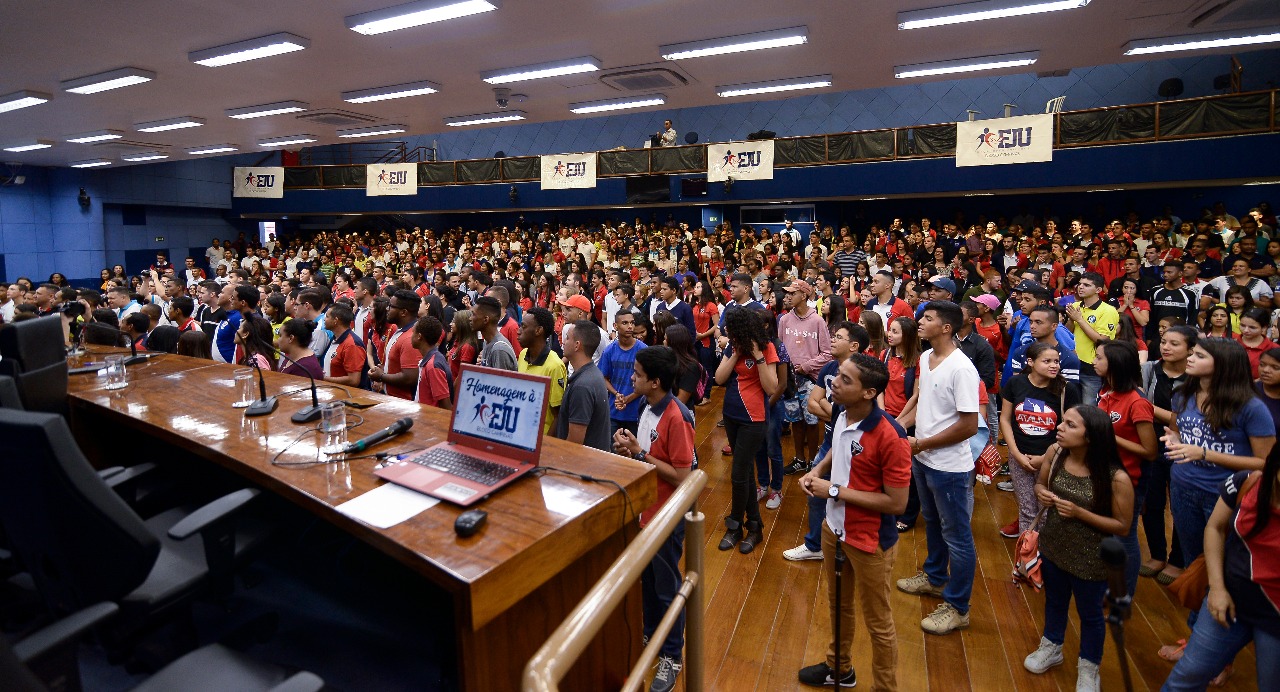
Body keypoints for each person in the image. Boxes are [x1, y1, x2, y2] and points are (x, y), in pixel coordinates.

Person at [1159, 337, 1276, 667]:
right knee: (1197, 565)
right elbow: (1176, 429)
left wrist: (1205, 453)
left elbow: (1266, 463)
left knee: (1220, 574)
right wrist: (1175, 441)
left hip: (1224, 498)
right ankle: (1198, 640)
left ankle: (1213, 654)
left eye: (1198, 355)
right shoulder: (1184, 393)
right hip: (1183, 489)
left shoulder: (1250, 407)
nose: (1190, 359)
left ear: (1222, 364)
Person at [797, 354, 911, 690]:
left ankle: (885, 687)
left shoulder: (892, 437)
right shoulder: (842, 412)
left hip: (870, 540)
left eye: (846, 380)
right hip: (834, 529)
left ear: (868, 393)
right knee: (838, 606)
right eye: (838, 375)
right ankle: (839, 668)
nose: (834, 382)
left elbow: (897, 503)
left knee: (879, 622)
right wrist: (818, 469)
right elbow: (839, 445)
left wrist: (832, 489)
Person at [1024, 406, 1133, 692]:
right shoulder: (1056, 452)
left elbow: (1122, 525)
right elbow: (1039, 483)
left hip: (1091, 557)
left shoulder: (1116, 478)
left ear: (1091, 436)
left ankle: (1089, 667)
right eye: (1063, 422)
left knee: (1091, 615)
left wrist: (1079, 512)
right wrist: (1041, 494)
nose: (1060, 427)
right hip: (1054, 545)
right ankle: (1052, 645)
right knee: (1055, 602)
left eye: (1070, 425)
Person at [611, 346, 695, 692]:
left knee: (666, 587)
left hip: (665, 515)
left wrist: (640, 453)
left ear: (655, 382)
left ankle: (672, 654)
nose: (632, 379)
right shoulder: (647, 405)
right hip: (645, 509)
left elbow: (682, 474)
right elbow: (647, 453)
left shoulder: (677, 416)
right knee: (647, 582)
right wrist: (631, 446)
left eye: (638, 374)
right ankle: (650, 634)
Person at [1162, 445, 1280, 691]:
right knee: (1186, 677)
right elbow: (1214, 527)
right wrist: (1216, 588)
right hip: (1229, 600)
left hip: (1274, 617)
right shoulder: (1246, 483)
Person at [897, 301, 979, 635]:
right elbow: (925, 405)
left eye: (928, 318)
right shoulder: (927, 359)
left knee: (957, 536)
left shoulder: (961, 368)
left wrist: (923, 443)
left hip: (948, 466)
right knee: (932, 521)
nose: (920, 321)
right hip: (923, 457)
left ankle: (959, 606)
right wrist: (900, 426)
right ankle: (934, 577)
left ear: (946, 328)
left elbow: (969, 425)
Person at [783, 321, 870, 562]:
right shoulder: (830, 366)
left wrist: (832, 410)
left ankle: (847, 545)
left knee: (848, 497)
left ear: (853, 345)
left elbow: (861, 417)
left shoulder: (865, 372)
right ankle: (815, 544)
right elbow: (813, 403)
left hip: (854, 448)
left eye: (838, 337)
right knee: (815, 492)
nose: (831, 340)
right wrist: (837, 412)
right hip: (830, 442)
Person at [999, 342, 1082, 538]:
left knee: (1047, 511)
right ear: (1031, 362)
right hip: (1020, 457)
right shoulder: (1015, 383)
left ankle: (1045, 561)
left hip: (1053, 459)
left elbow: (1073, 431)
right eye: (1047, 361)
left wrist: (1045, 458)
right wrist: (1016, 454)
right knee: (1027, 510)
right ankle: (1027, 561)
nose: (1054, 365)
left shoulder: (1066, 390)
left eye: (1056, 361)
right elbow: (1005, 419)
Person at [1094, 339, 1157, 596]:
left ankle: (1123, 594)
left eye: (1099, 358)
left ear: (1115, 364)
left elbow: (1150, 451)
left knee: (1125, 536)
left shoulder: (1136, 401)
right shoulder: (1105, 393)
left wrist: (1107, 434)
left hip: (1128, 479)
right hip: (1103, 475)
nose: (1094, 361)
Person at [716, 306, 780, 555]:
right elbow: (719, 379)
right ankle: (754, 527)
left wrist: (758, 356)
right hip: (731, 414)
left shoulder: (767, 347)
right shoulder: (732, 347)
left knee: (738, 474)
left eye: (730, 328)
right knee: (745, 476)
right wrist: (735, 354)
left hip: (754, 419)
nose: (725, 331)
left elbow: (771, 387)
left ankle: (734, 526)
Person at [1140, 325, 1197, 585]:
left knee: (1180, 506)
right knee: (1150, 503)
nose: (1166, 347)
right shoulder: (1149, 369)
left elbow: (1186, 419)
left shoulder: (1196, 377)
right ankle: (1157, 555)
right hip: (1150, 444)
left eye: (1175, 344)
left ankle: (1178, 560)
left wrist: (1152, 409)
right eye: (1164, 341)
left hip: (1185, 447)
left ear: (1190, 350)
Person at [554, 320, 612, 452]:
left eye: (567, 338)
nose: (563, 341)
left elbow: (574, 444)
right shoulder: (591, 375)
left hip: (583, 468)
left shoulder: (583, 386)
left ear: (577, 345)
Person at [1063, 272, 1119, 404]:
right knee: (1069, 404)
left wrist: (1079, 320)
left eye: (1087, 285)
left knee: (1088, 407)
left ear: (1098, 290)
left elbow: (1103, 340)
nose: (1081, 287)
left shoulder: (1108, 310)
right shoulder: (1075, 306)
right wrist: (1071, 320)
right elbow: (1067, 333)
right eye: (1080, 284)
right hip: (1071, 363)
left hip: (1091, 367)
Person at [517, 307, 566, 434]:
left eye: (523, 326)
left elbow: (559, 414)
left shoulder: (554, 366)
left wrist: (546, 445)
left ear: (538, 330)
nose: (518, 331)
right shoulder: (522, 355)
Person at [599, 310, 647, 436]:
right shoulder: (609, 351)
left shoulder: (643, 351)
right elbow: (603, 377)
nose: (630, 326)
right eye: (625, 323)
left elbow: (648, 382)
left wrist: (628, 398)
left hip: (637, 412)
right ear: (615, 326)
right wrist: (617, 394)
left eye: (632, 323)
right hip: (614, 411)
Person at [369, 290, 420, 399]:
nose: (387, 309)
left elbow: (410, 378)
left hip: (404, 403)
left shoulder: (410, 338)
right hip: (393, 399)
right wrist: (384, 369)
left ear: (403, 312)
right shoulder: (400, 331)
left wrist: (382, 376)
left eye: (391, 306)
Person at [321, 304, 366, 389]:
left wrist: (324, 379)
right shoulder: (335, 338)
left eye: (327, 316)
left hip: (347, 397)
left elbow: (354, 380)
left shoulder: (352, 344)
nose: (324, 319)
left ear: (335, 320)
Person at [411, 315, 452, 409]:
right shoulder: (430, 360)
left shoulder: (433, 366)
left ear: (419, 337)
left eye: (413, 332)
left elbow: (446, 407)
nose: (411, 335)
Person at [471, 295, 517, 371]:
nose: (470, 318)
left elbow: (499, 382)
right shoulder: (487, 341)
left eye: (473, 314)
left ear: (486, 319)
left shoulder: (499, 349)